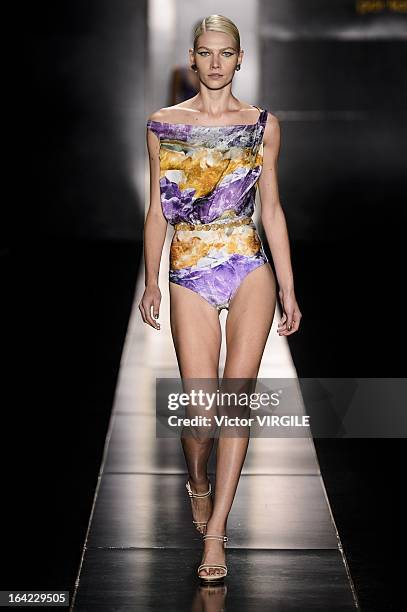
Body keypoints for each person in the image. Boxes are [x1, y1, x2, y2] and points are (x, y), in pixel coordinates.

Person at [140, 14, 302, 584]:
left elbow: (273, 209)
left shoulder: (263, 125)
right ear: (192, 58)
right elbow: (159, 208)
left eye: (225, 53)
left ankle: (216, 536)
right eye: (205, 53)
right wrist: (151, 279)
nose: (215, 63)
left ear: (239, 59)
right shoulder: (163, 125)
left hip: (248, 261)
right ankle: (198, 480)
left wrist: (286, 284)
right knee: (200, 409)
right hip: (189, 265)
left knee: (236, 401)